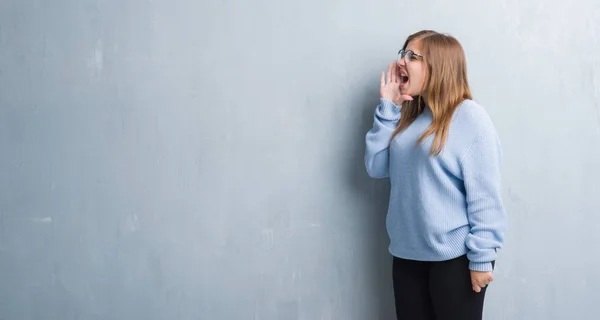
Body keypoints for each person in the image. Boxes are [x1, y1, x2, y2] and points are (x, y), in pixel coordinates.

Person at [364, 30, 507, 320]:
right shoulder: (410, 117)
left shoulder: (470, 118)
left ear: (438, 65)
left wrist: (482, 259)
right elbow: (376, 167)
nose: (401, 62)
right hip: (406, 258)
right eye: (402, 53)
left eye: (411, 56)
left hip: (452, 262)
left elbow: (485, 196)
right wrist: (389, 108)